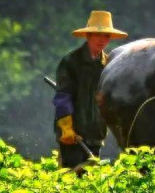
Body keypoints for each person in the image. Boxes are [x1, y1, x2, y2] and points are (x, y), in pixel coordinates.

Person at [53, 10, 128, 168]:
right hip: (73, 136)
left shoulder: (109, 65)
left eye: (106, 36)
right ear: (88, 35)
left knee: (91, 182)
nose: (102, 40)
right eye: (97, 35)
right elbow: (63, 97)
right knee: (71, 181)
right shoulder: (71, 62)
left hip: (96, 135)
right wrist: (66, 128)